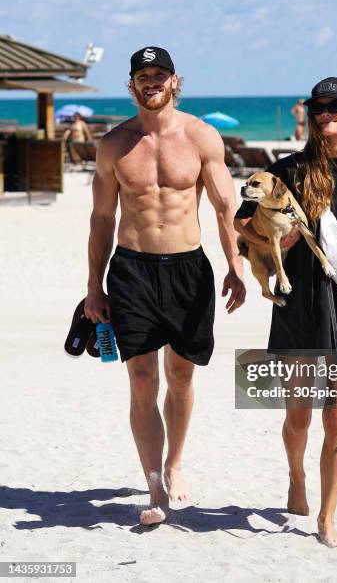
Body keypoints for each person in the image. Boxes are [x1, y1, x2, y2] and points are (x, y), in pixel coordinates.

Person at [234, 77, 337, 547]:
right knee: (298, 414)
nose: (324, 114)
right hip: (301, 301)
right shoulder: (286, 170)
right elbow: (240, 222)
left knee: (336, 414)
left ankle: (327, 518)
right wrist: (273, 239)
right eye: (317, 107)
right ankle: (295, 477)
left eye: (334, 106)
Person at [84, 46, 246, 525]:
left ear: (175, 81)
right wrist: (94, 286)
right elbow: (100, 217)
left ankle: (175, 463)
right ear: (131, 85)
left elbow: (224, 207)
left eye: (159, 74)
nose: (151, 82)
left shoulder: (201, 137)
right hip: (132, 271)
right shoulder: (113, 144)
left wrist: (235, 262)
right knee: (140, 380)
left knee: (180, 377)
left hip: (187, 271)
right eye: (142, 75)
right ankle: (154, 488)